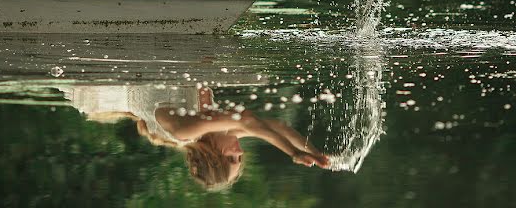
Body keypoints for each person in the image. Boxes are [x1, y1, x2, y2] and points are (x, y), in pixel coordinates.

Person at [61, 83, 329, 190]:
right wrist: (314, 153)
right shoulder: (213, 133)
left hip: (120, 76)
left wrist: (293, 153)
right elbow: (279, 127)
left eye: (232, 158)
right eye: (240, 158)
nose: (240, 151)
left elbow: (248, 120)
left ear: (212, 154)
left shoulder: (184, 133)